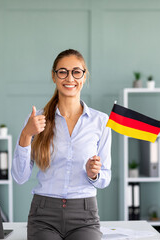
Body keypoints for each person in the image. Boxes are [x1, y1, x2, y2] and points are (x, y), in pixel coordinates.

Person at [12, 49, 112, 240]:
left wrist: (94, 174)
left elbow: (105, 178)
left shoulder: (100, 121)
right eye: (63, 71)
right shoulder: (36, 119)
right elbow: (19, 176)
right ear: (54, 76)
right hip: (43, 215)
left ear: (84, 76)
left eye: (76, 72)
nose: (70, 78)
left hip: (84, 215)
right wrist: (26, 134)